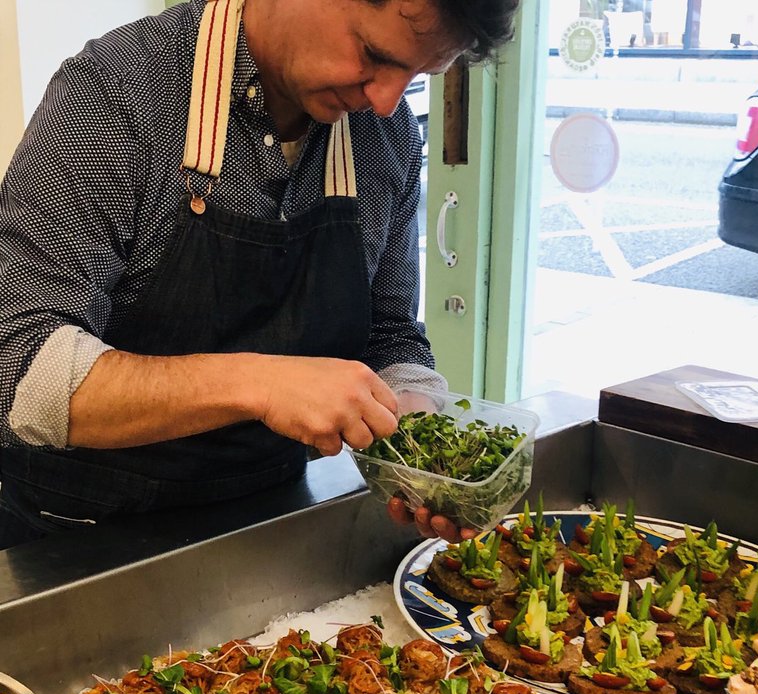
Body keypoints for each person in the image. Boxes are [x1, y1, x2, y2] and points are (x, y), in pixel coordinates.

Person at [0, 0, 518, 550]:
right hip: (76, 538)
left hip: (268, 523)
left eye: (416, 75)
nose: (387, 101)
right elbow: (21, 374)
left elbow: (388, 334)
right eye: (373, 54)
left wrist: (415, 444)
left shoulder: (384, 139)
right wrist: (261, 384)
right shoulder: (115, 94)